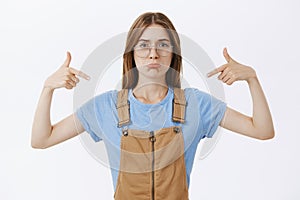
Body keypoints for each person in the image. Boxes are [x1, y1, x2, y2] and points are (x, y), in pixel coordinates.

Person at [31, 12, 274, 200]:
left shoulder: (195, 104)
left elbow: (262, 131)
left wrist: (252, 78)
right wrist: (47, 88)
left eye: (163, 45)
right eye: (144, 44)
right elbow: (41, 140)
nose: (153, 54)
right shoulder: (105, 106)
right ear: (132, 53)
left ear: (173, 54)